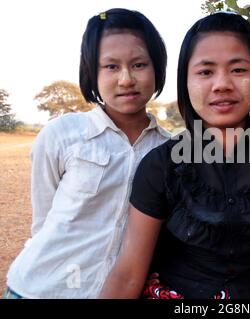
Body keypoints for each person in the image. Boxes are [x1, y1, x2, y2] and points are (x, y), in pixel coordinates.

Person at [99, 12, 250, 299]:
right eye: (205, 72)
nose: (222, 84)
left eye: (238, 70)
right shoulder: (160, 166)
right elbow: (128, 273)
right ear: (186, 82)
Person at [4, 8, 170, 299]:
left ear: (158, 67)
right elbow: (44, 223)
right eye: (110, 67)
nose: (126, 79)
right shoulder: (61, 135)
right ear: (91, 73)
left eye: (139, 64)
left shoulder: (169, 151)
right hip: (37, 290)